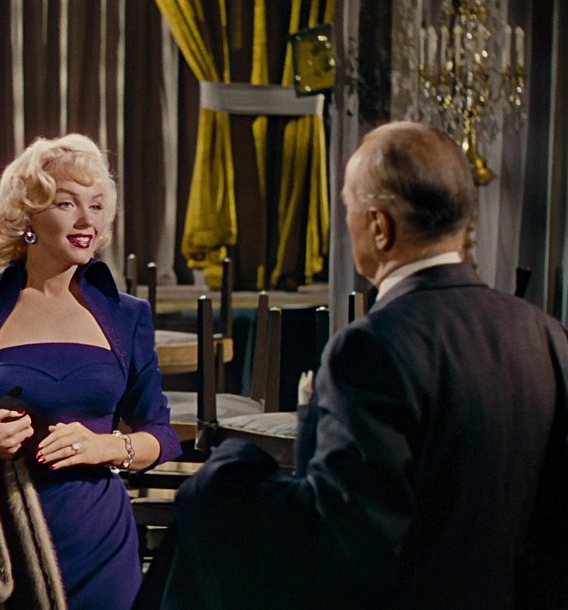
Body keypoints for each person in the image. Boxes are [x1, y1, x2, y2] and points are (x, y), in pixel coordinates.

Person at [155, 121, 568, 609]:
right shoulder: (544, 333)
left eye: (347, 208)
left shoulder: (373, 346)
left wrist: (230, 470)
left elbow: (342, 540)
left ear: (379, 226)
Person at [0, 133, 181, 609]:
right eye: (67, 203)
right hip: (3, 547)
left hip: (102, 543)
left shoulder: (128, 316)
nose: (87, 220)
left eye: (97, 206)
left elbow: (161, 435)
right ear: (27, 218)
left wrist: (108, 446)